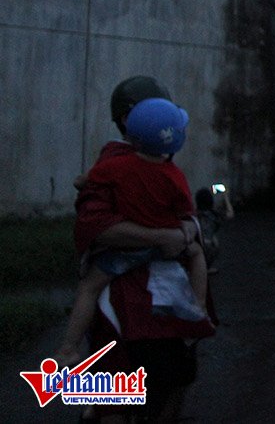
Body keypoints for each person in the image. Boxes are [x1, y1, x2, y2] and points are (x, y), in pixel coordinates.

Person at [73, 77, 214, 421]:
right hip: (128, 302)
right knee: (117, 398)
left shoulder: (155, 160)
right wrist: (162, 237)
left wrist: (184, 230)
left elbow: (186, 219)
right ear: (128, 119)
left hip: (166, 302)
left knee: (174, 383)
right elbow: (95, 226)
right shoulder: (114, 166)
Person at [56, 98, 210, 367]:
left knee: (89, 288)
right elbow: (186, 213)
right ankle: (198, 308)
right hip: (165, 246)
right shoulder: (175, 176)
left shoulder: (116, 167)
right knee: (198, 255)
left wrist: (82, 180)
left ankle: (69, 347)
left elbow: (83, 181)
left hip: (124, 250)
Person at [194, 183, 235, 270]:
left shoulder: (195, 214)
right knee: (214, 241)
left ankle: (198, 268)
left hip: (196, 246)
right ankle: (206, 268)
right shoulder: (214, 215)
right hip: (208, 247)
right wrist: (225, 197)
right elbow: (230, 214)